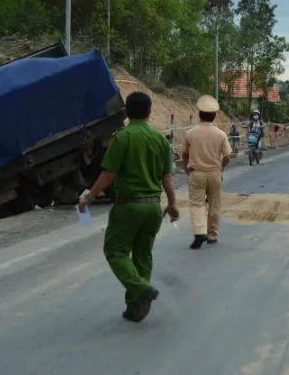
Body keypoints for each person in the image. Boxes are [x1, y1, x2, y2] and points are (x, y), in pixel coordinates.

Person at [78, 91, 178, 323]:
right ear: (150, 112)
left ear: (126, 112)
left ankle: (141, 289)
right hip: (153, 207)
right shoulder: (161, 140)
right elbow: (167, 178)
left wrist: (89, 197)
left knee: (115, 251)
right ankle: (135, 308)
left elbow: (109, 174)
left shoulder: (122, 138)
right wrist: (172, 203)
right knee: (143, 255)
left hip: (129, 206)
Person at [183, 95, 232, 249]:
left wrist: (187, 169)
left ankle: (199, 232)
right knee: (214, 204)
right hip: (215, 173)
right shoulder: (220, 134)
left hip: (196, 173)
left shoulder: (190, 133)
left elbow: (184, 154)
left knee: (197, 204)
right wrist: (221, 167)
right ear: (214, 115)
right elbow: (228, 156)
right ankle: (212, 235)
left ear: (199, 114)